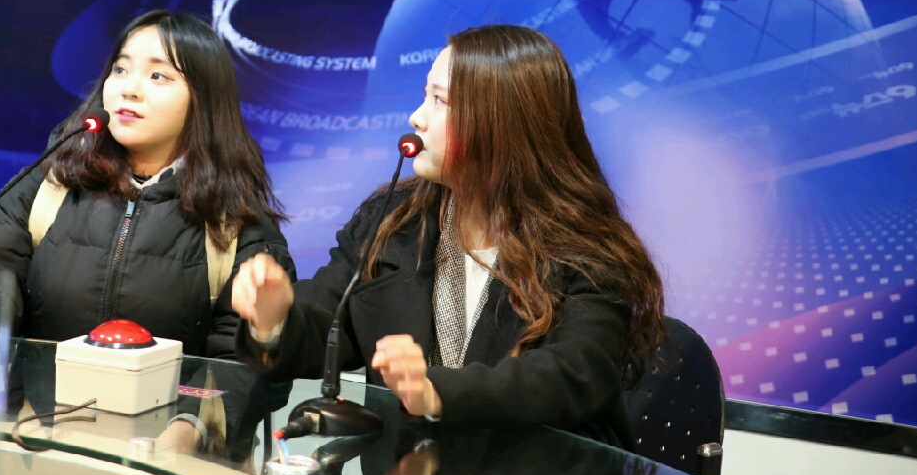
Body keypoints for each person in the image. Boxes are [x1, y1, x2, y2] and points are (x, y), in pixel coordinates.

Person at [231, 24, 665, 449]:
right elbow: (324, 324)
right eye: (426, 95)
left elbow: (572, 375)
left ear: (502, 124)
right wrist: (272, 320)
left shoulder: (587, 248)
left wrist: (435, 391)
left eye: (439, 101)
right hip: (410, 474)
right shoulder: (391, 222)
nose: (416, 118)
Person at [0, 9, 294, 358]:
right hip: (42, 403)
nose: (128, 89)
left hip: (169, 407)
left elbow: (244, 364)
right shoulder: (55, 180)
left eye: (158, 76)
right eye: (120, 69)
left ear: (203, 101)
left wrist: (264, 330)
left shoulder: (233, 216)